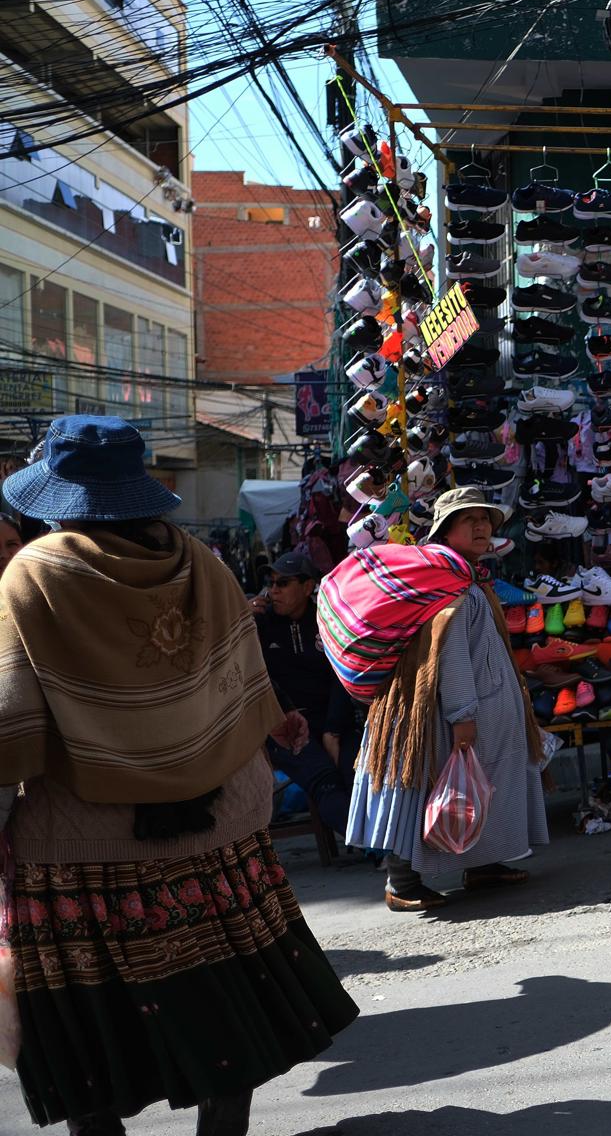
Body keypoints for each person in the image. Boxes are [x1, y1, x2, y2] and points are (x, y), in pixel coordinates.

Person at [0, 415, 356, 1134]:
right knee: (230, 993)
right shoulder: (204, 561)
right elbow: (248, 687)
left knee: (86, 1016)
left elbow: (12, 722)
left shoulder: (35, 575)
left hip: (82, 839)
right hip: (215, 824)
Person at [342, 487, 550, 911]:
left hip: (476, 708)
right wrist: (462, 716)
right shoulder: (447, 586)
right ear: (444, 529)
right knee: (423, 788)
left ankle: (485, 863)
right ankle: (401, 882)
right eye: (467, 519)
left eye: (485, 520)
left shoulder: (463, 577)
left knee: (477, 789)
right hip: (444, 715)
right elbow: (452, 655)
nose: (480, 527)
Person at [252, 548, 356, 835]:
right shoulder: (261, 621)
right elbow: (246, 672)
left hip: (332, 719)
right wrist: (244, 624)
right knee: (326, 782)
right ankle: (376, 849)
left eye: (283, 583)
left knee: (357, 775)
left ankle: (386, 851)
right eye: (271, 583)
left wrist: (333, 731)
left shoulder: (328, 619)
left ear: (308, 586)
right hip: (285, 727)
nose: (274, 591)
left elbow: (342, 675)